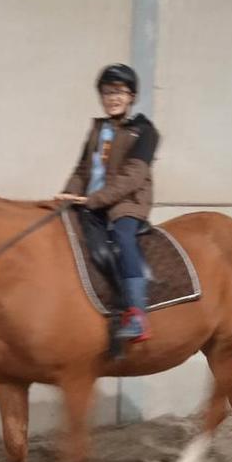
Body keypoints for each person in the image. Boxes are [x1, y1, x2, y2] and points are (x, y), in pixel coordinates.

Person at [57, 63, 159, 341]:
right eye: (107, 92)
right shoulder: (97, 129)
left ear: (132, 97)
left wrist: (95, 199)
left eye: (120, 92)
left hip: (125, 203)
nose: (113, 97)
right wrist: (67, 195)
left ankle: (137, 315)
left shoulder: (144, 130)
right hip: (90, 201)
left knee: (123, 237)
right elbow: (82, 171)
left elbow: (133, 176)